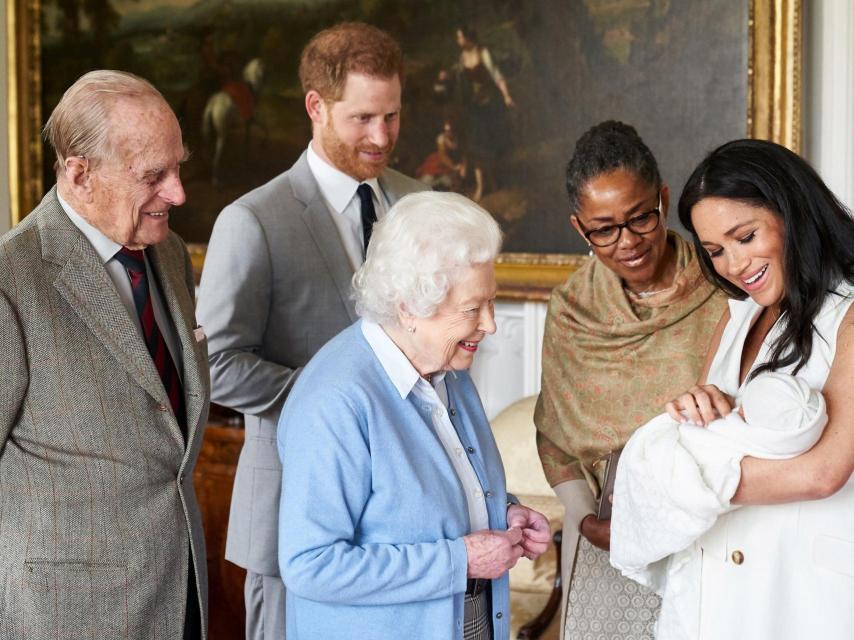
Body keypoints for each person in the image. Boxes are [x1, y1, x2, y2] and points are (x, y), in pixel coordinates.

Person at [196, 21, 426, 639]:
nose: (381, 138)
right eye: (363, 119)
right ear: (316, 107)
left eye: (393, 117)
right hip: (291, 514)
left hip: (405, 523)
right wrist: (334, 399)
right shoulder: (252, 221)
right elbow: (214, 364)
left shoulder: (418, 203)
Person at [277, 191, 550, 640]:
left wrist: (504, 515)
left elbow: (425, 502)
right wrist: (461, 560)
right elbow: (312, 565)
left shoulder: (449, 368)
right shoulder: (335, 401)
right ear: (408, 308)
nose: (491, 324)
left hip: (468, 620)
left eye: (491, 302)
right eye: (472, 309)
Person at [0, 70, 209, 639]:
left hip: (180, 591)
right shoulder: (11, 281)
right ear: (79, 173)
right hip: (68, 615)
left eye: (178, 166)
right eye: (154, 175)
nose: (178, 193)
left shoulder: (167, 258)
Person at [533, 121, 727, 638]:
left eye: (641, 218)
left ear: (663, 199)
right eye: (604, 229)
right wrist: (585, 522)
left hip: (715, 518)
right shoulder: (572, 310)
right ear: (580, 228)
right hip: (605, 530)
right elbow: (555, 437)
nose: (628, 242)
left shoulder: (724, 286)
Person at [662, 138, 854, 640]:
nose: (733, 265)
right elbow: (700, 432)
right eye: (716, 251)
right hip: (717, 580)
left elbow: (824, 472)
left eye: (745, 236)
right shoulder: (735, 316)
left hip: (801, 592)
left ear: (792, 211)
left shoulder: (849, 314)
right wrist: (692, 410)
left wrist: (677, 479)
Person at [610, 372, 827, 639]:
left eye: (744, 411)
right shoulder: (730, 328)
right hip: (705, 565)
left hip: (769, 570)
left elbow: (821, 476)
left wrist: (650, 484)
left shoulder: (743, 438)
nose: (738, 412)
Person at [453, 26, 514, 202]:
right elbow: (461, 83)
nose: (458, 41)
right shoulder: (462, 58)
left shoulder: (483, 52)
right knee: (475, 145)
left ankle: (494, 182)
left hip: (490, 105)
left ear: (467, 37)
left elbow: (496, 75)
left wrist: (507, 96)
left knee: (489, 145)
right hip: (474, 108)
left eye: (459, 37)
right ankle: (481, 186)